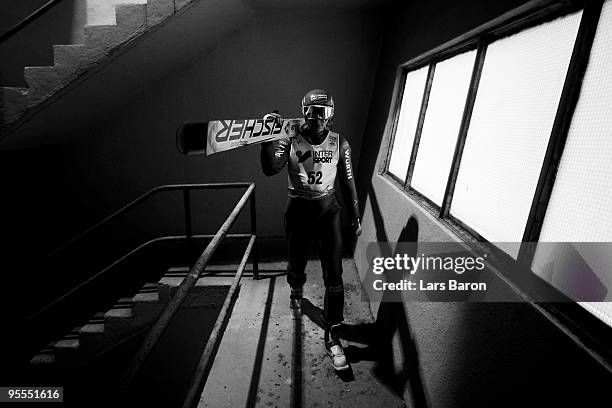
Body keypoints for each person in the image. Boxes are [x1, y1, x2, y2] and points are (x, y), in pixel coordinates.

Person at [260, 89, 361, 371]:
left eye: (324, 113)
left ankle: (332, 332)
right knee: (296, 263)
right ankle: (295, 285)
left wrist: (355, 215)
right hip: (299, 211)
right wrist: (268, 139)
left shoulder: (340, 143)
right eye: (313, 112)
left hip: (328, 211)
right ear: (304, 111)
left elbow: (348, 182)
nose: (318, 119)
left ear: (331, 115)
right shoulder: (289, 138)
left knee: (334, 272)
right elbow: (271, 167)